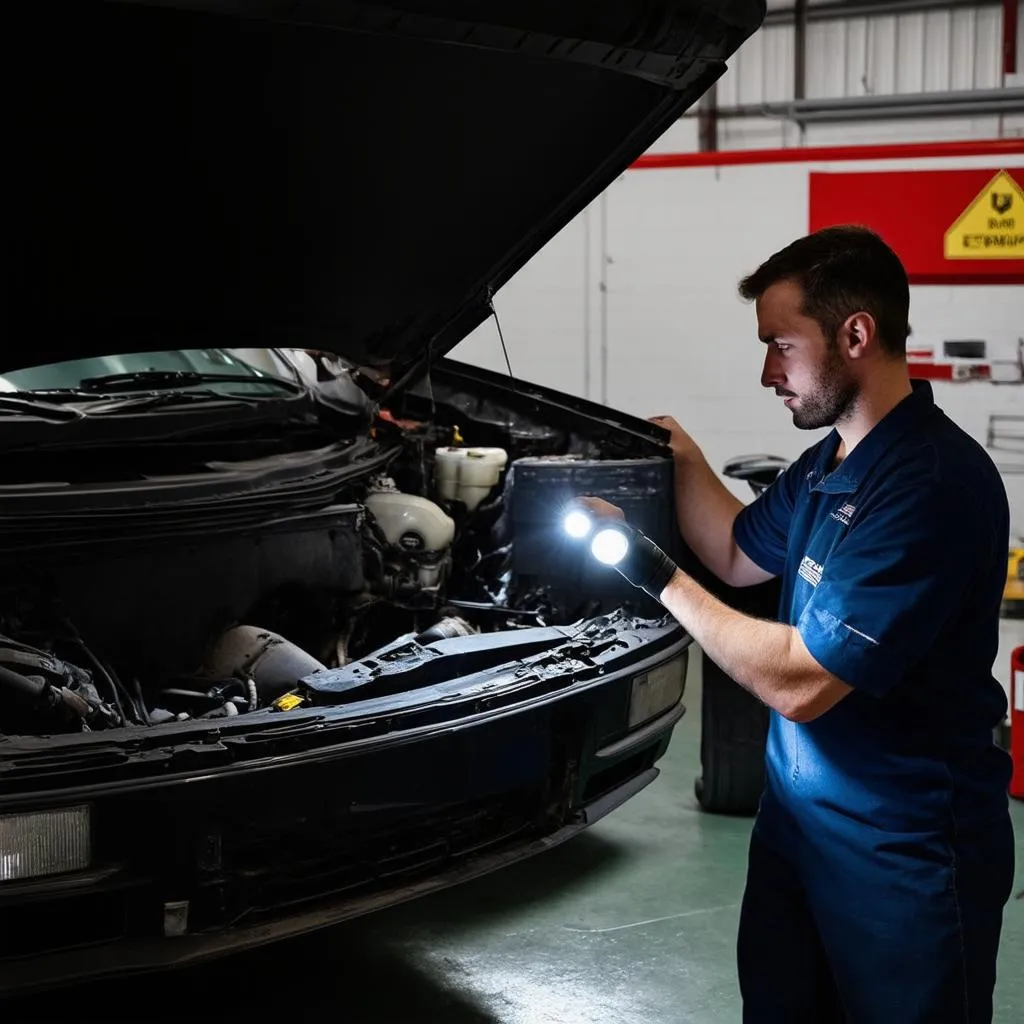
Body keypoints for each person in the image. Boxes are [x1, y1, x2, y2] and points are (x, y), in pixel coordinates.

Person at [577, 225, 1015, 1023]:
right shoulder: (832, 461)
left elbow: (801, 680)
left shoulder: (932, 483)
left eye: (782, 344)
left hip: (904, 849)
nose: (767, 372)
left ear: (856, 335)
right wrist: (679, 456)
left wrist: (646, 570)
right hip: (801, 832)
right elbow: (740, 551)